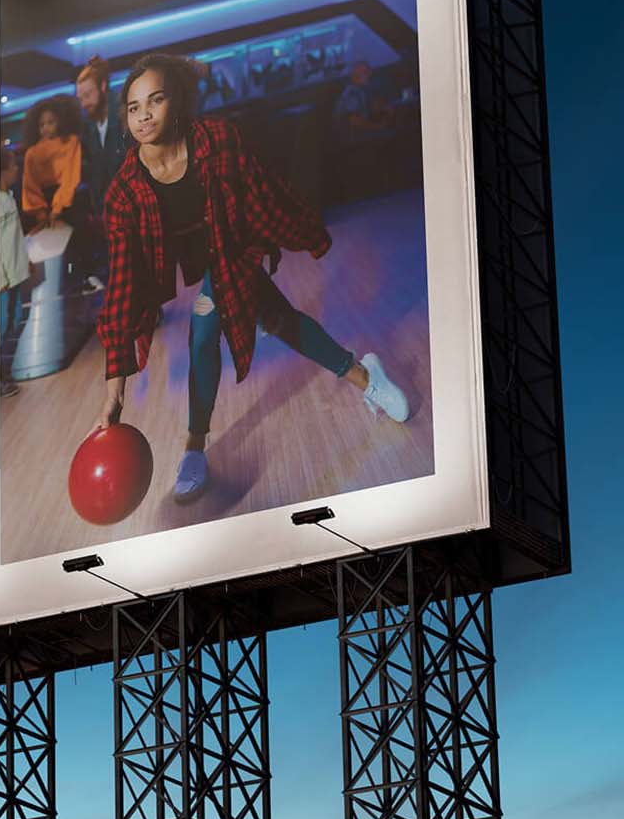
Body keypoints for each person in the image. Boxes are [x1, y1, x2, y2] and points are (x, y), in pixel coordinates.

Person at [95, 52, 410, 501]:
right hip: (205, 261)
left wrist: (281, 241)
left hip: (233, 246)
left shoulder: (217, 140)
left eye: (156, 100)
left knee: (203, 330)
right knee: (281, 320)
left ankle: (193, 448)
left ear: (176, 103)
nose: (144, 114)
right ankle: (364, 373)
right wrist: (115, 392)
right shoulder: (124, 193)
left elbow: (262, 194)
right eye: (133, 107)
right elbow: (122, 291)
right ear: (125, 119)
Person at [20, 97, 103, 293]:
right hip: (42, 203)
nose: (46, 128)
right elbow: (29, 186)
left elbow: (70, 176)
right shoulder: (31, 153)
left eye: (51, 122)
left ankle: (88, 276)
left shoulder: (71, 142)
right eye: (42, 125)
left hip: (68, 197)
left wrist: (57, 208)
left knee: (80, 232)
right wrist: (41, 213)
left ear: (61, 121)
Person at [0, 146, 30, 398]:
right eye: (12, 166)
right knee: (0, 327)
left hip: (15, 274)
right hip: (2, 281)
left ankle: (3, 372)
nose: (16, 169)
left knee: (14, 320)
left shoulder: (8, 196)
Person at [76, 55, 126, 210]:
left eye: (88, 95)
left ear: (103, 86)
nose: (84, 104)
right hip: (108, 211)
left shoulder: (125, 114)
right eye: (80, 98)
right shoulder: (87, 127)